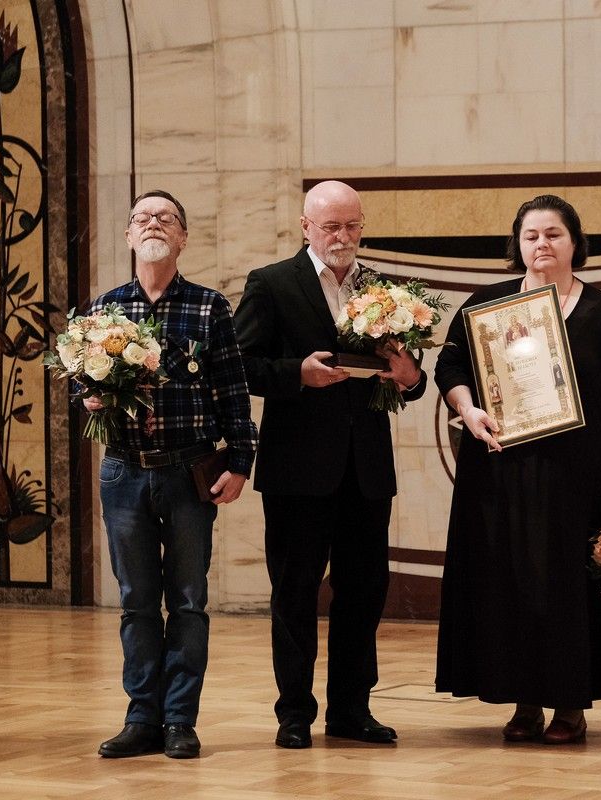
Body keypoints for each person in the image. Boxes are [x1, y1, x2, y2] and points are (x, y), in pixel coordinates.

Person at [435, 194, 601, 744]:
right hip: (502, 476)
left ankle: (571, 704)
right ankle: (524, 701)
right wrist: (467, 407)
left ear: (575, 242)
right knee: (510, 585)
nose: (542, 244)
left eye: (554, 234)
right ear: (518, 244)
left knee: (569, 587)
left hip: (580, 479)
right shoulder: (487, 306)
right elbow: (450, 364)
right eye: (531, 235)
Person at [234, 181, 425, 750]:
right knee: (294, 594)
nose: (342, 236)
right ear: (305, 227)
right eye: (330, 226)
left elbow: (410, 380)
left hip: (366, 470)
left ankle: (351, 710)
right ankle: (294, 713)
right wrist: (297, 373)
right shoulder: (271, 283)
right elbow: (239, 365)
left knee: (363, 593)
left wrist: (411, 376)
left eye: (352, 225)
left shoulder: (384, 291)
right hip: (297, 471)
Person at [89, 190, 258, 759]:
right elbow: (76, 382)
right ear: (129, 236)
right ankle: (142, 717)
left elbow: (233, 391)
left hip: (189, 472)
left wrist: (240, 462)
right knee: (136, 601)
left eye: (166, 218)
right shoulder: (104, 309)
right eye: (142, 217)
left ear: (183, 237)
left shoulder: (210, 307)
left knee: (187, 601)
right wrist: (88, 396)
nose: (153, 224)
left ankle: (180, 720)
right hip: (124, 473)